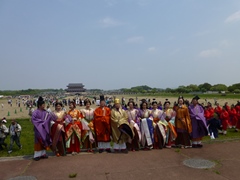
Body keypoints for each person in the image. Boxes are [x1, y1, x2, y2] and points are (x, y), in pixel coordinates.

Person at [31, 96, 57, 161]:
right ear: (39, 105)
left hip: (44, 128)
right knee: (38, 141)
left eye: (44, 104)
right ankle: (37, 155)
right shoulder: (35, 112)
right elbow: (33, 120)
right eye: (43, 104)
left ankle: (43, 154)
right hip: (38, 129)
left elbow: (49, 119)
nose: (44, 105)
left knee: (44, 140)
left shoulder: (45, 112)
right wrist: (42, 122)